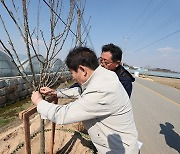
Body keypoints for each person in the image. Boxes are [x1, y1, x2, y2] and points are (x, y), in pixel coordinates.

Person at [31, 47, 138, 154]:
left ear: (82, 70)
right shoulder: (105, 76)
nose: (73, 78)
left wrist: (39, 101)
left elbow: (63, 115)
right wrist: (56, 93)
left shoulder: (101, 91)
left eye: (72, 73)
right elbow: (81, 91)